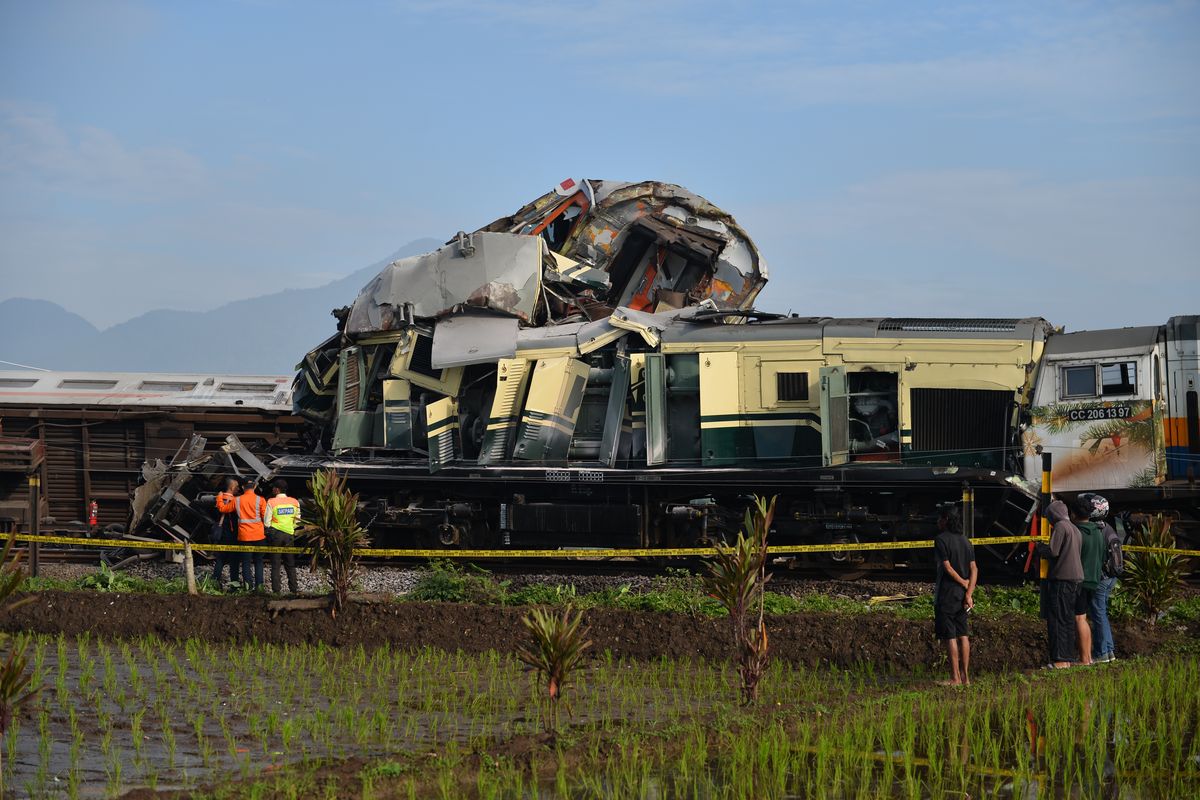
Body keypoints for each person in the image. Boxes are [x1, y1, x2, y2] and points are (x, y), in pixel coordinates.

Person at [1036, 499, 1083, 669]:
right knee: (1067, 619)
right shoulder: (1075, 529)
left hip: (1062, 580)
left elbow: (1053, 551)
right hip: (1075, 580)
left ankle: (1059, 660)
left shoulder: (1060, 527)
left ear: (1053, 515)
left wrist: (1040, 547)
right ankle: (1067, 658)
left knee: (1056, 619)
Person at [933, 507, 977, 685]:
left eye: (940, 518)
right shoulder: (966, 541)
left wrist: (963, 583)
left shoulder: (940, 540)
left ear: (945, 520)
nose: (937, 522)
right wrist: (969, 592)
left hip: (947, 593)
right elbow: (974, 569)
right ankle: (966, 678)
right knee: (963, 634)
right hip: (962, 596)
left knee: (950, 636)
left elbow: (947, 567)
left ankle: (954, 678)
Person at [1080, 493, 1120, 663]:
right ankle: (1109, 651)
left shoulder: (1096, 529)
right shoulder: (1108, 527)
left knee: (1098, 614)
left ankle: (1102, 653)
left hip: (1101, 578)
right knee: (1101, 612)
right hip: (1111, 577)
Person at [1072, 496, 1103, 666]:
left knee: (1079, 619)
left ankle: (1085, 659)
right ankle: (1087, 657)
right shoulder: (1098, 531)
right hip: (1094, 580)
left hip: (1080, 581)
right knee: (1084, 618)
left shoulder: (1077, 533)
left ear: (1073, 513)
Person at [265, 478, 301, 594]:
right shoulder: (295, 502)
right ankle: (294, 590)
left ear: (277, 489)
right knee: (290, 564)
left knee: (275, 565)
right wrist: (290, 528)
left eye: (273, 487)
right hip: (289, 535)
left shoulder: (271, 502)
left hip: (276, 535)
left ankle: (276, 591)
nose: (272, 489)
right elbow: (298, 520)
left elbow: (266, 522)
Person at [234, 476, 270, 590]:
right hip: (259, 536)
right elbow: (266, 517)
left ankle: (247, 586)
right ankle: (259, 586)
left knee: (246, 562)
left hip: (244, 537)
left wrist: (220, 497)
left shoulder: (237, 500)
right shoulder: (261, 500)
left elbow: (223, 509)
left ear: (243, 487)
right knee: (259, 561)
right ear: (254, 486)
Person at [211, 477, 241, 588]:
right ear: (232, 487)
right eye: (237, 486)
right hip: (232, 534)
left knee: (220, 559)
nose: (238, 489)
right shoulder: (235, 501)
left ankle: (215, 582)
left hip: (220, 533)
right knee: (234, 561)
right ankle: (235, 585)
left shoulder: (218, 498)